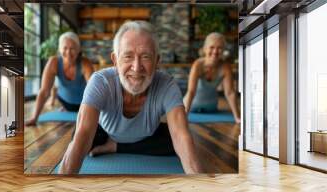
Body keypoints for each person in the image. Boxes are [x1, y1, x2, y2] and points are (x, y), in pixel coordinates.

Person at [59, 21, 201, 174]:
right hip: (105, 133)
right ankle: (113, 143)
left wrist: (201, 186)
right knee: (79, 138)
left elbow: (180, 136)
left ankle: (114, 146)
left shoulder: (167, 85)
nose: (136, 67)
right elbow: (85, 133)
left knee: (180, 141)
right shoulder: (100, 81)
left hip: (145, 137)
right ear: (115, 60)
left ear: (156, 61)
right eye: (128, 56)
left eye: (145, 56)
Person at [26, 31, 94, 126]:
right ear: (59, 49)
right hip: (64, 102)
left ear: (79, 50)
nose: (68, 52)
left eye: (72, 48)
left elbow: (94, 91)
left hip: (83, 106)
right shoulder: (54, 62)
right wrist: (34, 118)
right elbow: (44, 91)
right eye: (65, 48)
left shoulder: (85, 63)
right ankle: (65, 109)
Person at [183, 32, 241, 123]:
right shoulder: (198, 65)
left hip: (211, 108)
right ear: (205, 49)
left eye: (219, 48)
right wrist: (185, 114)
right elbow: (191, 91)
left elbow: (230, 93)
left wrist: (237, 117)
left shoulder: (225, 67)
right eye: (212, 47)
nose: (215, 51)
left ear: (223, 51)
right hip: (192, 107)